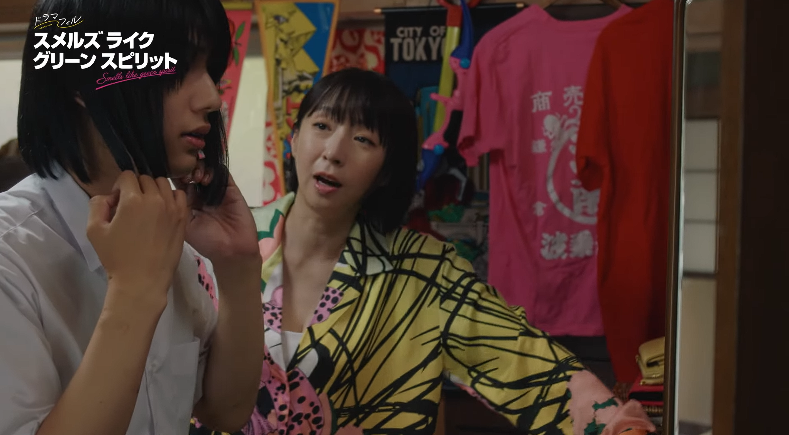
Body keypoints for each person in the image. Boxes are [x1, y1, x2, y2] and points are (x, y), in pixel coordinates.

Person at [191, 68, 656, 435]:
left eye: (363, 139)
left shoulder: (426, 273)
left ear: (386, 169)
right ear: (294, 138)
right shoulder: (224, 239)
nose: (333, 151)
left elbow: (528, 363)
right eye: (322, 125)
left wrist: (619, 426)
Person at [0, 1, 264, 434]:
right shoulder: (11, 257)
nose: (212, 99)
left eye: (211, 71)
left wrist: (238, 266)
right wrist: (134, 292)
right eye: (177, 67)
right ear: (80, 79)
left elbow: (226, 412)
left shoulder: (169, 237)